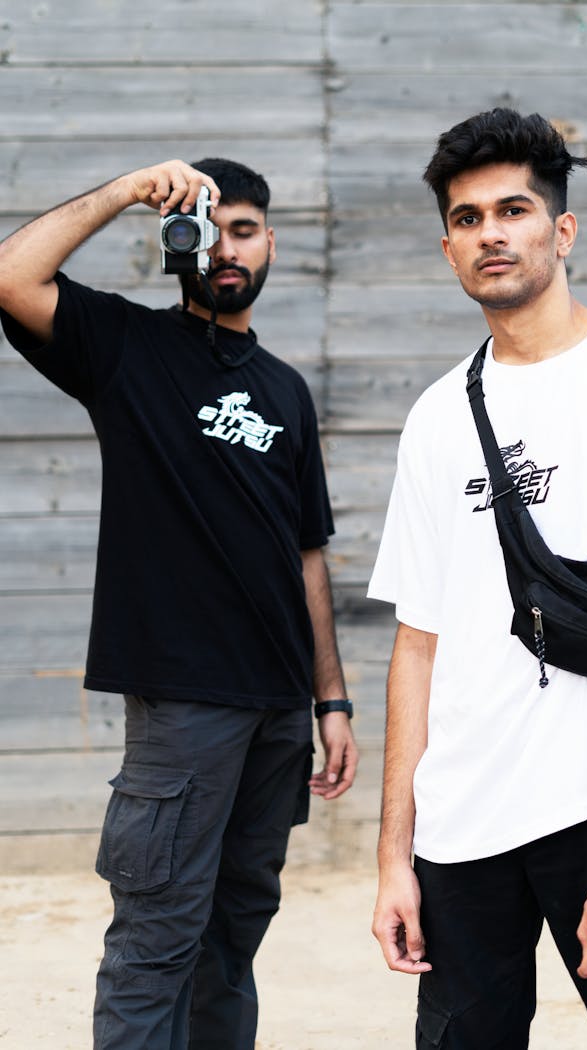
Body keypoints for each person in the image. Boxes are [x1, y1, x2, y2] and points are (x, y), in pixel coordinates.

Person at [0, 157, 358, 1050]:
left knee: (232, 942)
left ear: (270, 244)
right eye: (212, 228)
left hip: (279, 714)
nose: (228, 248)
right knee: (157, 942)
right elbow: (12, 275)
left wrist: (332, 700)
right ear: (177, 240)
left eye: (246, 230)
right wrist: (127, 189)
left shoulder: (285, 390)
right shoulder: (127, 348)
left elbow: (305, 553)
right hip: (184, 708)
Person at [368, 108, 587, 1048]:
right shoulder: (437, 416)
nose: (491, 234)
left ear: (562, 230)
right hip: (462, 828)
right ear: (448, 247)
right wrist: (396, 856)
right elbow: (419, 644)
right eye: (468, 219)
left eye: (513, 210)